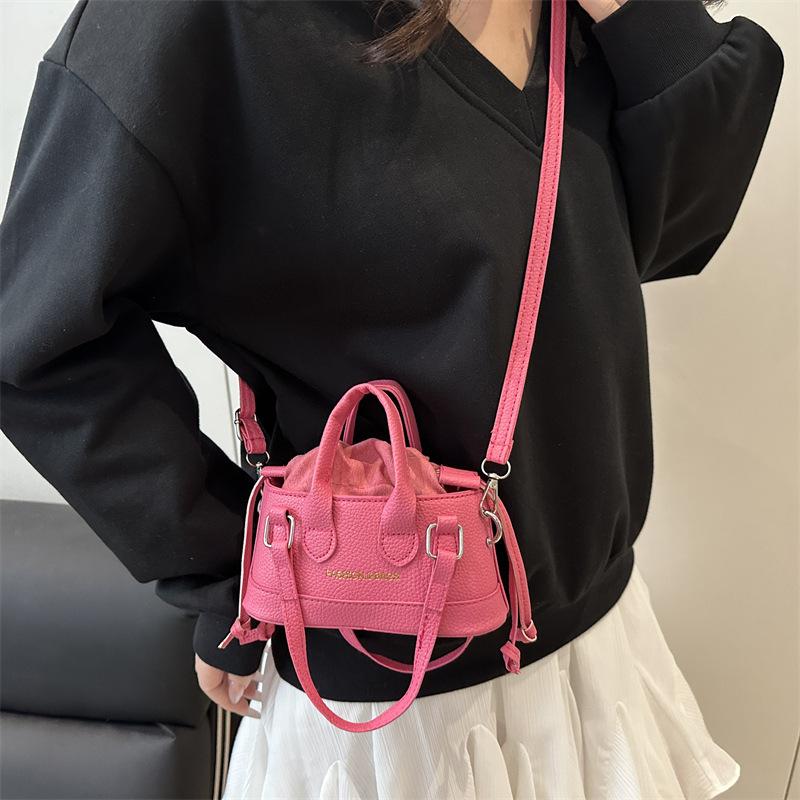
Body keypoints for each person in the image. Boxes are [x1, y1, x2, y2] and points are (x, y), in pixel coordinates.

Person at [0, 0, 784, 797]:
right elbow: (36, 343)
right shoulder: (200, 23)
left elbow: (672, 229)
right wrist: (229, 575)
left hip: (603, 648)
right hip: (392, 715)